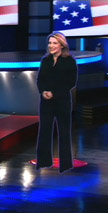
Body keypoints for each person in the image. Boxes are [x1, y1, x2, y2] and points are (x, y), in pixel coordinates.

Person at [36, 31, 78, 173]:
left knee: (64, 132)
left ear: (61, 45)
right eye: (50, 43)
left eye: (54, 43)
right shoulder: (45, 60)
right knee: (44, 131)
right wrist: (43, 91)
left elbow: (71, 82)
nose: (51, 46)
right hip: (46, 102)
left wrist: (54, 92)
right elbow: (40, 80)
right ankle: (43, 162)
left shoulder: (70, 61)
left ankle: (65, 165)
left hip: (62, 101)